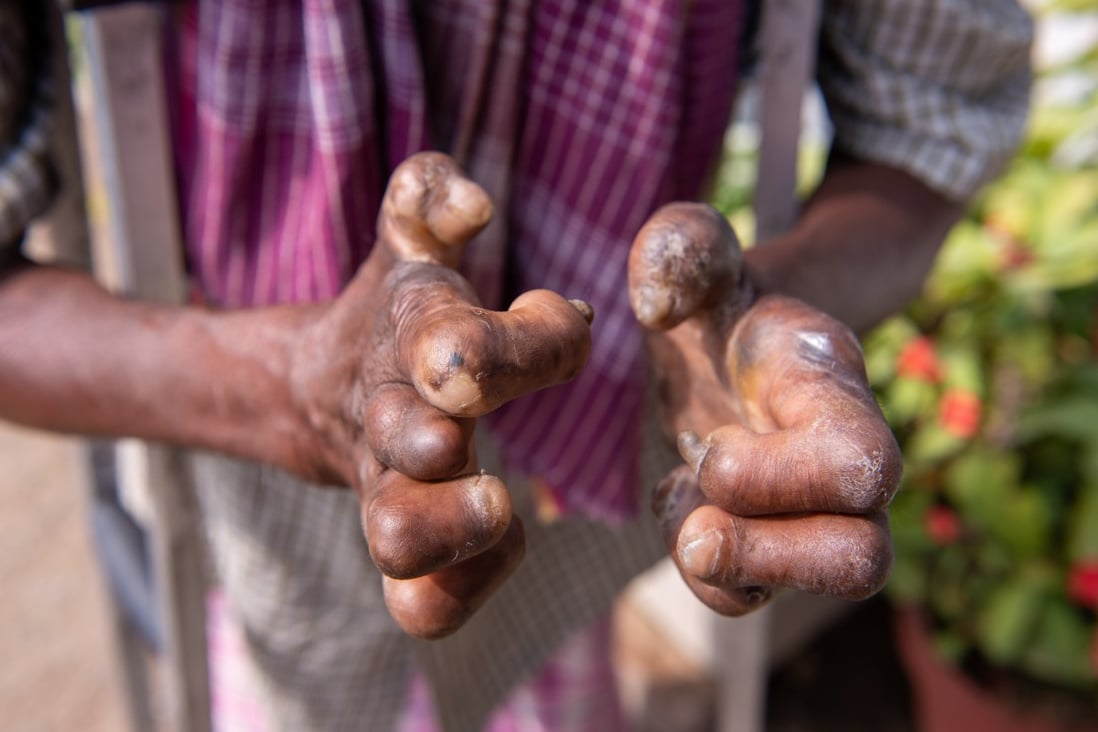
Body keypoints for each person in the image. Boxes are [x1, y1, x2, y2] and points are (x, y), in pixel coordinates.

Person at [1, 1, 1033, 730]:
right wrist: (282, 386)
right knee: (301, 680)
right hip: (249, 424)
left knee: (537, 652)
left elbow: (930, 113)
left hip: (606, 422)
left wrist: (772, 299)